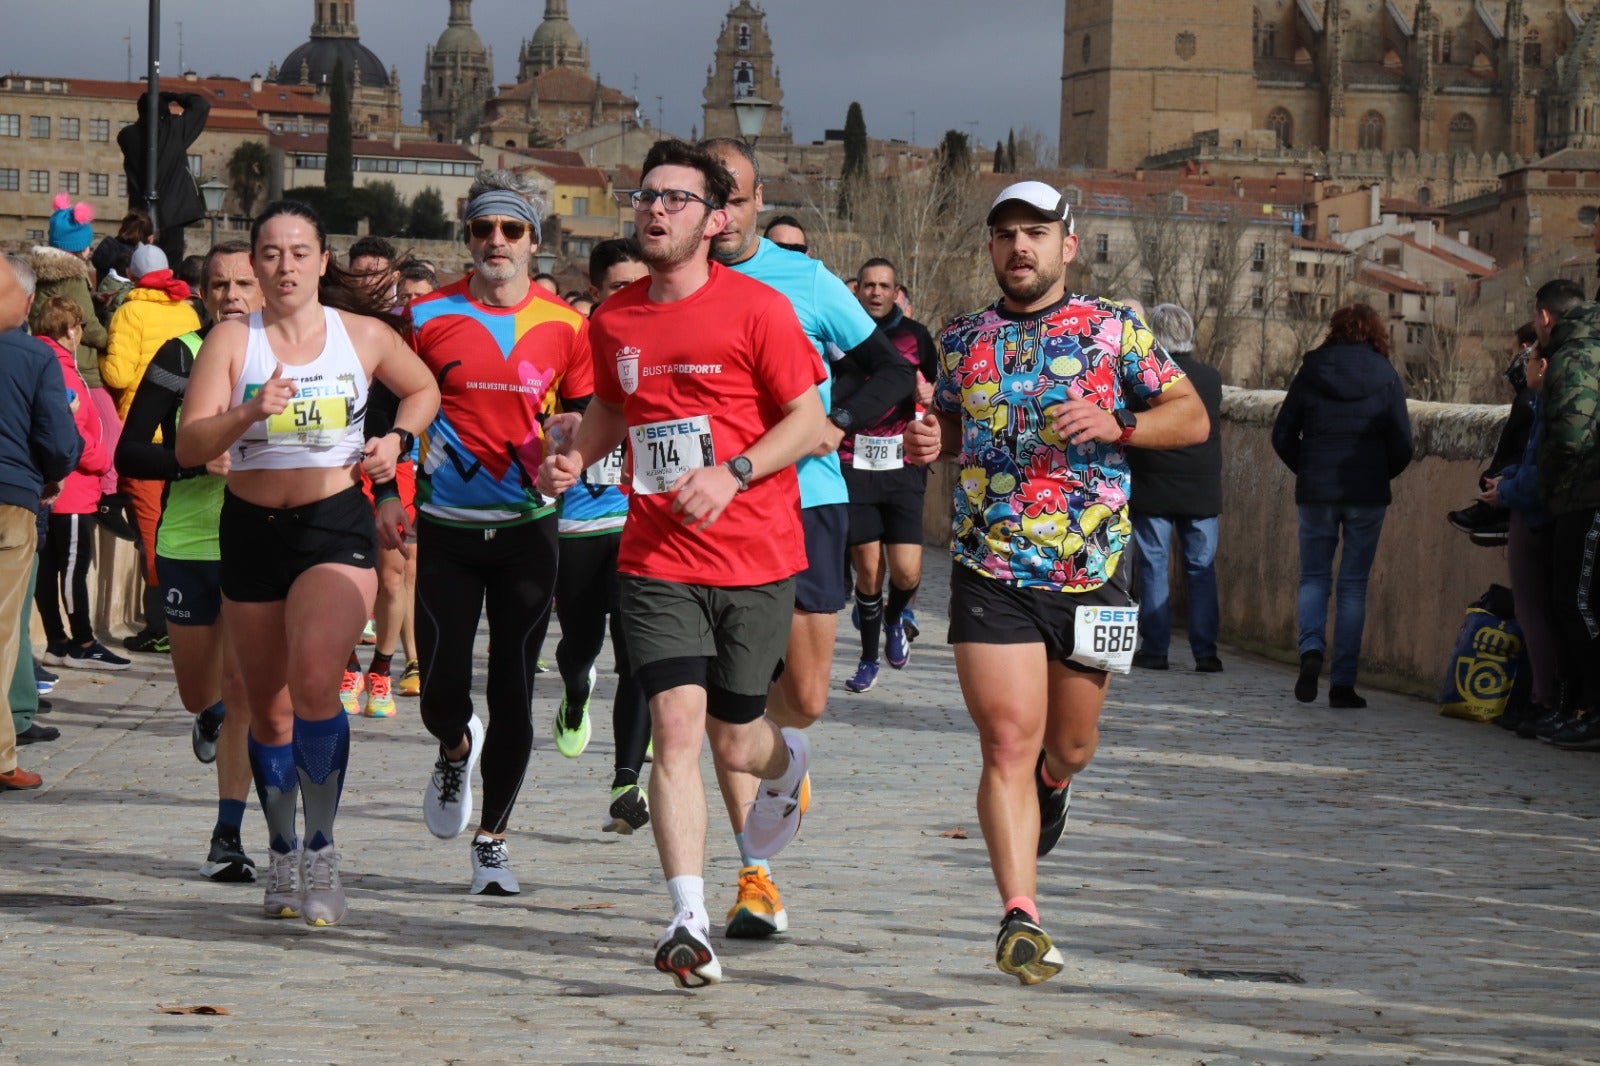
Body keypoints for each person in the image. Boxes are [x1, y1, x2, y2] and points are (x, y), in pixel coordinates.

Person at [903, 180, 1208, 984]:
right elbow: (948, 420)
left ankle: (1055, 784)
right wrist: (932, 436)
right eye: (1004, 234)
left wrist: (1122, 424)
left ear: (1067, 244)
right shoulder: (961, 336)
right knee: (1005, 738)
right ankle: (1020, 917)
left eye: (1035, 232)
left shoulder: (1115, 331)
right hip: (989, 566)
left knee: (1068, 743)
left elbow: (1194, 417)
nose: (1019, 248)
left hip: (1091, 570)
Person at [539, 139, 822, 988]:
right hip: (656, 556)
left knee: (739, 743)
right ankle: (687, 918)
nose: (654, 210)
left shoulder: (758, 311)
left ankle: (789, 764)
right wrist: (574, 456)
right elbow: (613, 413)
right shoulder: (614, 320)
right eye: (646, 196)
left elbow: (809, 423)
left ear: (715, 218)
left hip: (756, 555)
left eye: (675, 199)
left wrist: (732, 471)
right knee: (675, 733)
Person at [174, 200, 439, 927]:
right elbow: (189, 447)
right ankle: (283, 849)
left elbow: (423, 389)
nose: (284, 266)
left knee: (318, 678)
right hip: (251, 530)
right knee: (269, 704)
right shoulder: (233, 341)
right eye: (270, 253)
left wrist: (398, 443)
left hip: (334, 525)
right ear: (254, 265)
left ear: (323, 261)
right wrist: (248, 413)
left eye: (298, 252)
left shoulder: (363, 335)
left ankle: (323, 849)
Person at [699, 136, 914, 941]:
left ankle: (781, 755)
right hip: (709, 509)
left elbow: (890, 371)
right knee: (731, 699)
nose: (719, 214)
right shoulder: (670, 284)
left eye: (735, 198)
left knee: (807, 700)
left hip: (808, 500)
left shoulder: (804, 281)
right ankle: (754, 877)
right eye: (704, 197)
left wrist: (839, 421)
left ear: (757, 204)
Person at [405, 170, 592, 896]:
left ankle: (494, 841)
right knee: (441, 688)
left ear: (533, 242)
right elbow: (397, 410)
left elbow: (581, 417)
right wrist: (392, 494)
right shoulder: (424, 317)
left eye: (510, 230)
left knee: (513, 685)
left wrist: (567, 458)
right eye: (483, 229)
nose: (496, 242)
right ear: (468, 239)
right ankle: (454, 747)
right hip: (446, 527)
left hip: (527, 528)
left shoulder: (569, 327)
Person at [115, 239, 266, 881]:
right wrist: (197, 459)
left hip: (258, 544)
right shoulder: (180, 356)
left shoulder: (290, 359)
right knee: (200, 692)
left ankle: (227, 835)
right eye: (219, 286)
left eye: (243, 285)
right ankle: (203, 716)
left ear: (265, 290)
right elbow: (129, 454)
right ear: (202, 297)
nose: (232, 296)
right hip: (189, 544)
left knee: (243, 694)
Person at [550, 237, 653, 834]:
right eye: (619, 286)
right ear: (595, 291)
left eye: (639, 283)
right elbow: (526, 409)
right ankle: (573, 687)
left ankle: (625, 778)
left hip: (637, 521)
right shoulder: (571, 339)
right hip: (576, 524)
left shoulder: (661, 340)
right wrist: (557, 430)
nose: (631, 295)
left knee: (636, 655)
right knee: (580, 645)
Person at [1271, 303, 1413, 709]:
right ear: (1375, 334)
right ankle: (1343, 683)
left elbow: (1283, 434)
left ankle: (1312, 651)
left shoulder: (1312, 371)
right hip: (1366, 491)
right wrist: (1379, 474)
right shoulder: (1385, 375)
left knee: (1314, 577)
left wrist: (1310, 469)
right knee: (1353, 586)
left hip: (1318, 491)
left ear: (1334, 331)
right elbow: (1403, 442)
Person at [0, 255, 83, 790]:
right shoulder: (32, 355)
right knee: (4, 635)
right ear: (27, 302)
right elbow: (58, 441)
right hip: (9, 501)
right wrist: (53, 474)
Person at [840, 256, 939, 692]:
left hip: (901, 465)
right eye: (868, 285)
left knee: (907, 573)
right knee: (867, 572)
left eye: (884, 286)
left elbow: (937, 399)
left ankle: (895, 618)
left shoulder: (916, 337)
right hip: (853, 464)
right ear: (857, 290)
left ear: (896, 292)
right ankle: (866, 659)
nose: (876, 292)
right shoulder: (839, 333)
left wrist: (928, 393)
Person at [105, 243, 203, 654]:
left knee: (152, 534)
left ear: (131, 272)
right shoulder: (186, 310)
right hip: (185, 432)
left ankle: (161, 625)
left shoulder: (129, 310)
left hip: (145, 435)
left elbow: (119, 370)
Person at [1126, 303, 1225, 673]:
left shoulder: (1146, 376)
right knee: (1201, 568)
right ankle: (1206, 652)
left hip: (1153, 484)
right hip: (1201, 487)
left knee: (1153, 565)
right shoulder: (1210, 378)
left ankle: (1155, 648)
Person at [338, 236, 412, 718]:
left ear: (394, 280)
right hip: (340, 462)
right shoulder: (331, 324)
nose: (369, 282)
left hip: (392, 459)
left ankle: (382, 670)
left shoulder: (409, 329)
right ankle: (347, 663)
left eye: (378, 274)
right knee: (341, 571)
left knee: (393, 575)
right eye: (360, 273)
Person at [1526, 279, 1600, 749]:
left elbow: (1571, 437)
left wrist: (1545, 479)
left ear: (1546, 317)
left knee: (1576, 603)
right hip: (1579, 496)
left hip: (1582, 497)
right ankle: (1576, 707)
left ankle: (1591, 709)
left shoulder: (1573, 358)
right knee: (1570, 602)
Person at [31, 298, 121, 672]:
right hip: (73, 489)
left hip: (70, 488)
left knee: (53, 568)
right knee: (71, 569)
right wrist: (101, 460)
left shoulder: (53, 362)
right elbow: (72, 430)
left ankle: (58, 641)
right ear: (72, 330)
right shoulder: (60, 368)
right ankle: (80, 641)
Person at [1476, 344, 1561, 738]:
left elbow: (1544, 466)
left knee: (1534, 610)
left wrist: (1506, 489)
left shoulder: (1539, 401)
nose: (1523, 367)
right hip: (1542, 506)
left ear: (1542, 366)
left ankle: (1542, 699)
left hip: (1535, 513)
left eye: (1527, 360)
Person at [1446, 323, 1538, 546]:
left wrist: (1500, 485)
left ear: (1526, 351)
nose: (1511, 359)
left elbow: (1532, 457)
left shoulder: (1529, 401)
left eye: (1513, 351)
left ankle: (1495, 511)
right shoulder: (1529, 399)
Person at [117, 90, 210, 267]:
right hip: (173, 214)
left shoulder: (126, 136)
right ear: (163, 111)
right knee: (170, 267)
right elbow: (201, 105)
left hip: (142, 214)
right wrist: (175, 96)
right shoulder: (174, 130)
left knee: (141, 264)